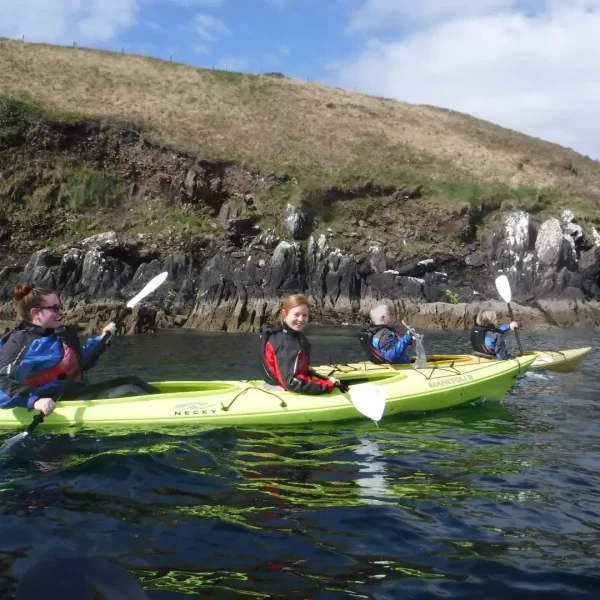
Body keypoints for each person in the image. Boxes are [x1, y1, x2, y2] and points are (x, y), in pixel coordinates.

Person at [0, 284, 116, 416]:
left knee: (132, 383)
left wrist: (102, 340)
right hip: (49, 405)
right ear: (36, 313)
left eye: (59, 307)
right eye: (55, 308)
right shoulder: (20, 343)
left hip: (75, 394)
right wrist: (35, 401)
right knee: (129, 389)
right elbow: (3, 379)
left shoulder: (60, 334)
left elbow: (78, 363)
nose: (61, 312)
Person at [260, 294, 348, 394]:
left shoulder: (283, 334)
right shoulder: (287, 343)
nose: (301, 319)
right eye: (296, 315)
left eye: (304, 315)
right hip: (284, 390)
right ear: (284, 314)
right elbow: (291, 382)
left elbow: (286, 364)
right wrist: (327, 385)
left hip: (271, 384)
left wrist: (306, 369)